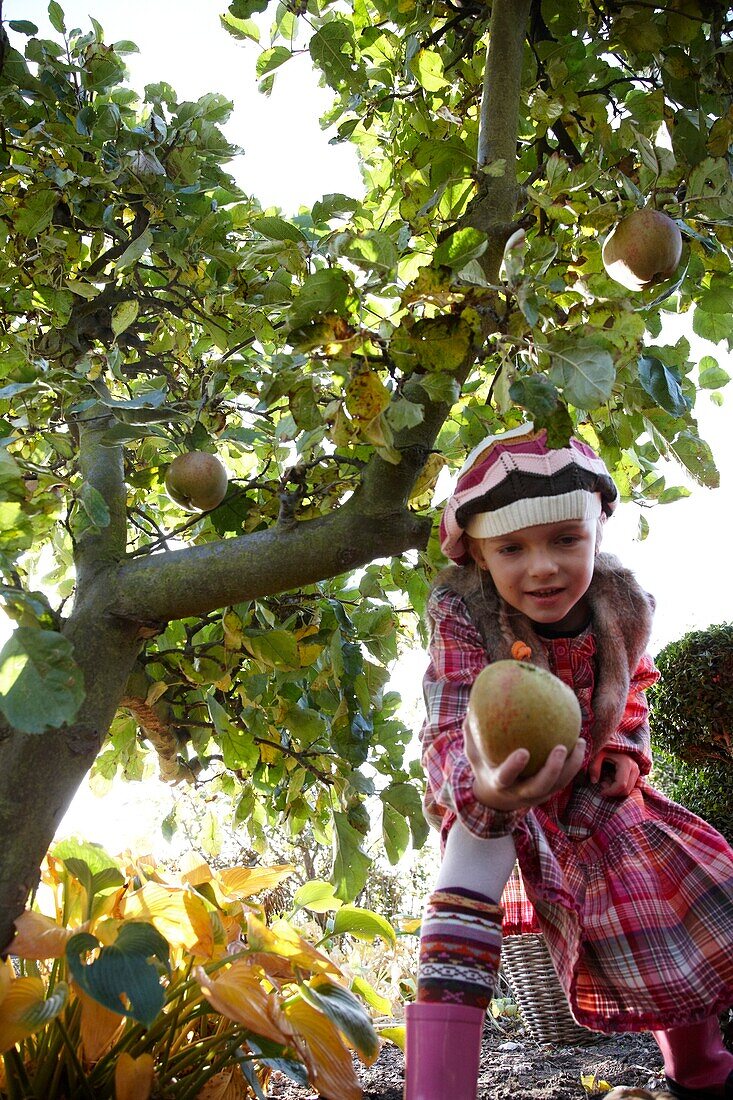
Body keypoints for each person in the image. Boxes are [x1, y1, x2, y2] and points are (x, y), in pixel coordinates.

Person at [404, 423, 733, 1100]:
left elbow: (631, 685)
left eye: (565, 540)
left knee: (668, 909)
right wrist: (485, 790)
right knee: (462, 893)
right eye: (512, 547)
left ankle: (701, 1074)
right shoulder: (464, 612)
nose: (543, 566)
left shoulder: (619, 605)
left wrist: (621, 749)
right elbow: (447, 713)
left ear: (596, 535)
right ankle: (435, 1089)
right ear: (479, 555)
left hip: (585, 786)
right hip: (495, 774)